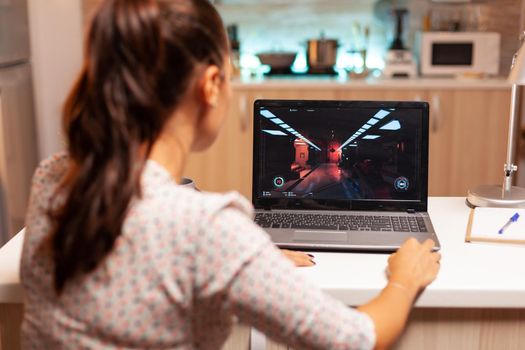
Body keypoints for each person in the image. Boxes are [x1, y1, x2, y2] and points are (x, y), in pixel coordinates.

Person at [20, 0, 441, 349]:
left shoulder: (51, 179)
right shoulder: (207, 230)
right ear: (212, 84)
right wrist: (404, 280)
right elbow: (354, 339)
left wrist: (245, 258)